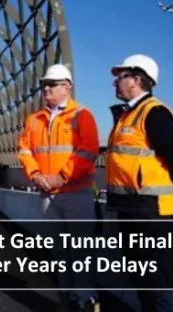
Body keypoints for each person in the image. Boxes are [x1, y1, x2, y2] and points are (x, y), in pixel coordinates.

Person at [105, 54, 173, 312]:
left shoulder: (153, 112)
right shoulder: (126, 115)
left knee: (155, 283)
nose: (115, 83)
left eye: (120, 77)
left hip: (151, 212)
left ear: (136, 80)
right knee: (140, 278)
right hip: (130, 208)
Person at [17, 63, 101, 312]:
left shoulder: (82, 115)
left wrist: (61, 177)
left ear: (67, 87)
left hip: (75, 192)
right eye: (44, 85)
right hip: (47, 194)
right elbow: (24, 150)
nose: (46, 89)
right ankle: (66, 296)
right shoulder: (34, 120)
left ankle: (85, 299)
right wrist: (35, 175)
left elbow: (88, 151)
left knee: (81, 251)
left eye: (51, 85)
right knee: (60, 251)